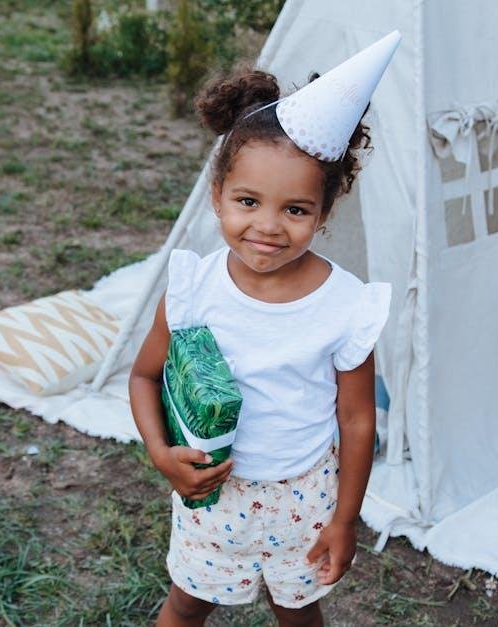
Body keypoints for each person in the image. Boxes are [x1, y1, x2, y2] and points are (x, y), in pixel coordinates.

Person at [129, 33, 400, 627]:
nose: (268, 227)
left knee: (298, 611)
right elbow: (145, 376)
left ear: (324, 213)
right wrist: (160, 452)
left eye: (295, 209)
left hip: (303, 497)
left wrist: (345, 519)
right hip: (212, 493)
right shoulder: (194, 289)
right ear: (218, 195)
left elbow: (357, 420)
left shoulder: (346, 306)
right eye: (248, 201)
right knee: (187, 601)